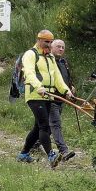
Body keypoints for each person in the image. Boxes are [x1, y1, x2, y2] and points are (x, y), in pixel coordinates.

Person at [16, 30, 73, 167]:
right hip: (35, 94)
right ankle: (51, 155)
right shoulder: (30, 54)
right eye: (46, 42)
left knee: (38, 128)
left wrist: (66, 90)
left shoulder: (50, 57)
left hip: (48, 95)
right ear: (39, 40)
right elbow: (28, 72)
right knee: (44, 125)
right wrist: (38, 86)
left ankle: (23, 154)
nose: (49, 44)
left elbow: (57, 77)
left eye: (50, 42)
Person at [48, 39, 76, 162]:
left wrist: (71, 87)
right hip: (51, 97)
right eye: (58, 46)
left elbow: (66, 76)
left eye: (63, 47)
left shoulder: (63, 62)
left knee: (44, 126)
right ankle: (63, 151)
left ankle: (34, 144)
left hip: (62, 98)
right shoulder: (48, 62)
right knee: (56, 123)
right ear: (51, 47)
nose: (61, 49)